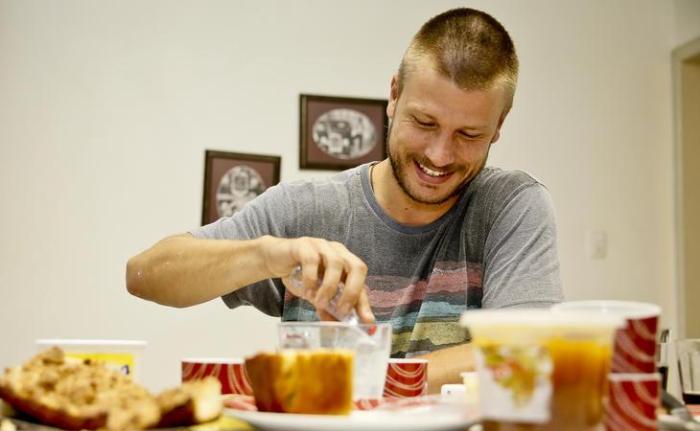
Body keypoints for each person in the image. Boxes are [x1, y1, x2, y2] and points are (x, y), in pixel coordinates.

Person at [126, 8, 563, 392]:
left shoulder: (511, 206)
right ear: (394, 95)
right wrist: (269, 254)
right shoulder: (307, 208)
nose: (439, 155)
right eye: (424, 122)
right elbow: (144, 274)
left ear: (499, 125)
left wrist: (360, 379)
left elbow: (524, 349)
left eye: (469, 135)